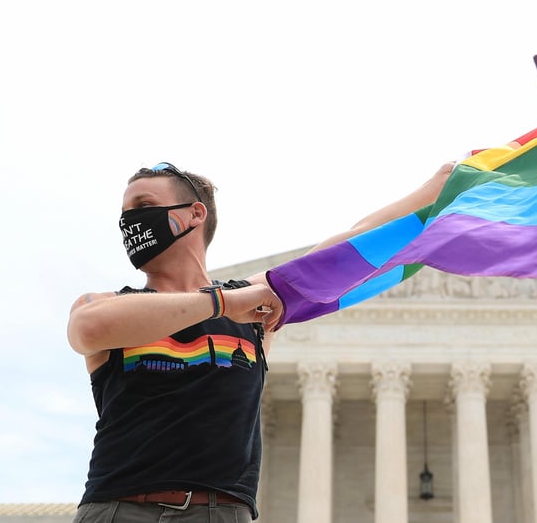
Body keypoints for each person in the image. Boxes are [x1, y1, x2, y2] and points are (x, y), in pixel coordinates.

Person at [67, 161, 453, 522]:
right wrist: (223, 301)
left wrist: (433, 190)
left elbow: (353, 242)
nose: (129, 221)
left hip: (219, 512)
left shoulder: (256, 311)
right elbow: (86, 329)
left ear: (194, 214)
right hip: (121, 509)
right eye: (125, 212)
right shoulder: (107, 305)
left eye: (143, 205)